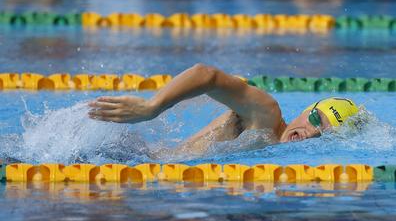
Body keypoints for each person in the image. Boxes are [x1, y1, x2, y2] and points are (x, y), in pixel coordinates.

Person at [88, 63, 359, 157]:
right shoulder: (266, 115)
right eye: (315, 119)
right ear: (305, 110)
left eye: (322, 135)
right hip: (134, 157)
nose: (310, 133)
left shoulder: (277, 151)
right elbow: (206, 75)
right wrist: (152, 107)